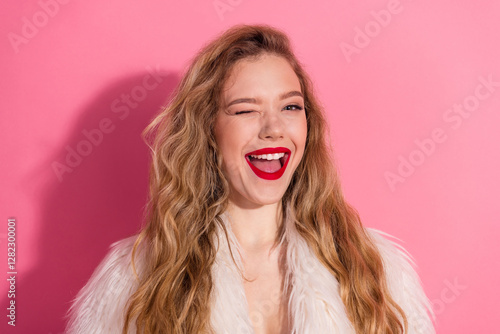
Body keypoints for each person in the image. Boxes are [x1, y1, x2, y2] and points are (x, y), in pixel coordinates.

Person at [65, 24, 435, 334]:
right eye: (245, 109)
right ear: (208, 131)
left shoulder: (377, 270)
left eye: (290, 106)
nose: (274, 128)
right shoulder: (135, 280)